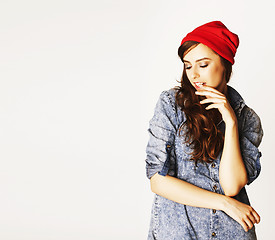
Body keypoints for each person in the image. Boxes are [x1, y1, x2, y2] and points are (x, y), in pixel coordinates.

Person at [145, 21, 263, 240]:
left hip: (232, 233)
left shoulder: (247, 119)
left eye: (203, 64)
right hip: (178, 232)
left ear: (225, 63)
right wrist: (225, 203)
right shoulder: (171, 105)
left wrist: (231, 122)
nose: (194, 75)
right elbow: (158, 180)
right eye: (188, 66)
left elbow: (231, 186)